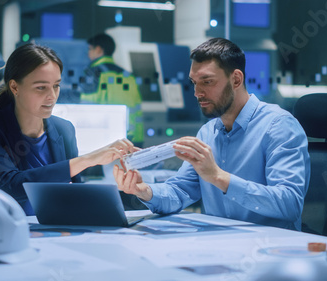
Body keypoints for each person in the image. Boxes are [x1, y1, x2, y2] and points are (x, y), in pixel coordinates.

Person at [114, 38, 311, 230]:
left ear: (236, 79)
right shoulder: (208, 132)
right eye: (194, 82)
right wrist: (143, 190)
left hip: (269, 249)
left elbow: (289, 204)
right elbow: (180, 190)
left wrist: (218, 176)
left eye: (207, 82)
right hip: (219, 246)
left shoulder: (278, 126)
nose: (197, 92)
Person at [0, 43, 137, 215]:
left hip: (57, 230)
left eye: (56, 86)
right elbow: (11, 184)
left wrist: (129, 194)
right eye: (41, 87)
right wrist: (88, 159)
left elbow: (75, 194)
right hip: (10, 230)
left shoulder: (64, 129)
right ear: (14, 87)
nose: (52, 96)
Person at [80, 33, 144, 147]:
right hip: (131, 138)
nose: (88, 53)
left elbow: (86, 108)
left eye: (90, 49)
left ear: (98, 50)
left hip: (104, 139)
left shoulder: (93, 73)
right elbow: (137, 109)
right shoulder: (128, 75)